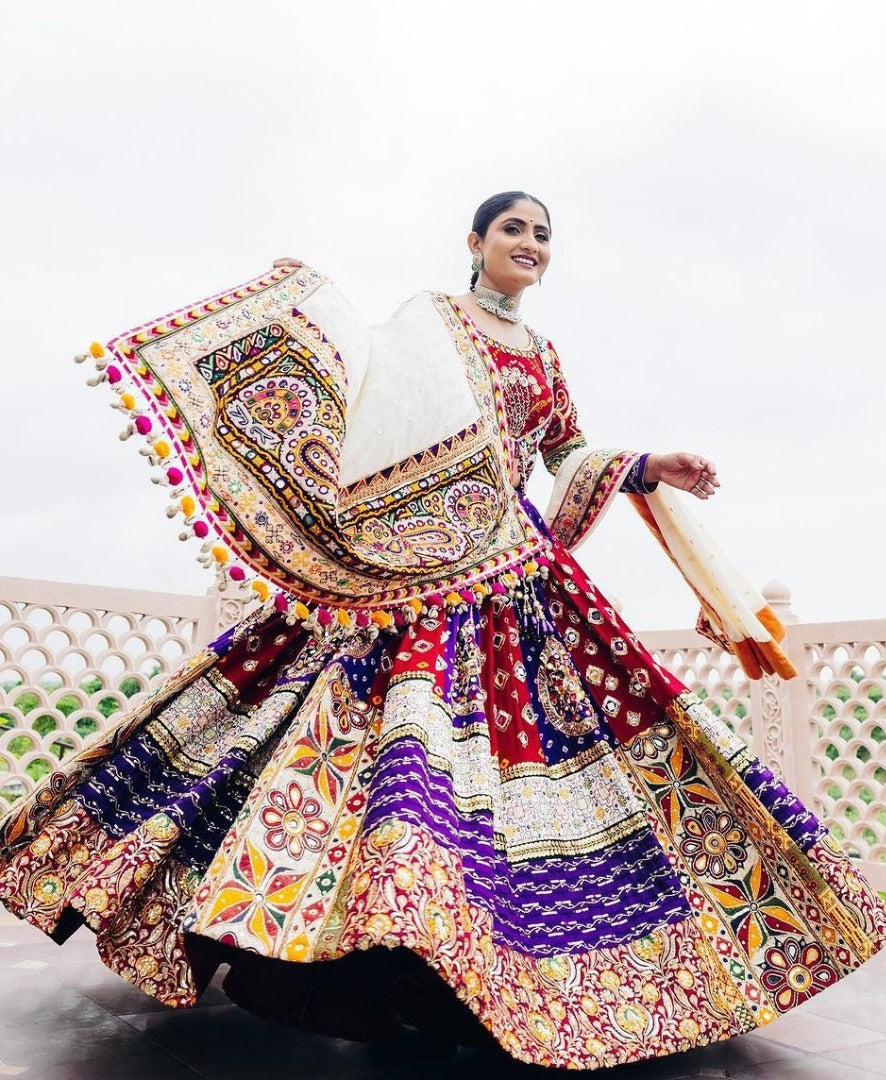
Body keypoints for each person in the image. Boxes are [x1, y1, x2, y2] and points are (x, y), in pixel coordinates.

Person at [1, 191, 884, 1072]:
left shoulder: (543, 353)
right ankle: (333, 943)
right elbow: (368, 388)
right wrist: (303, 305)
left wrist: (644, 466)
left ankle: (508, 969)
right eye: (514, 229)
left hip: (519, 580)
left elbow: (564, 455)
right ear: (475, 241)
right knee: (367, 752)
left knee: (543, 763)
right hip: (408, 577)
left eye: (544, 234)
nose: (530, 244)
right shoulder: (431, 321)